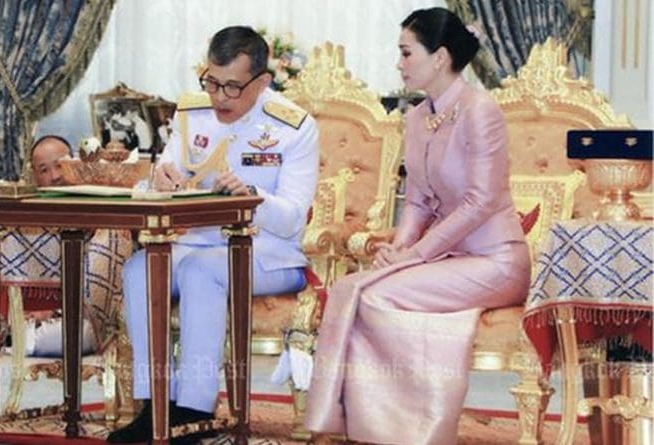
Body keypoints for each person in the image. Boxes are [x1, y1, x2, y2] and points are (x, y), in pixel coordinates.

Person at [304, 8, 531, 445]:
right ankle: (378, 426)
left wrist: (415, 255)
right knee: (356, 286)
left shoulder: (480, 111)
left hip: (496, 261)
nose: (399, 63)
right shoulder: (416, 117)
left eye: (407, 53)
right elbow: (421, 201)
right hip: (447, 259)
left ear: (440, 57)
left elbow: (481, 200)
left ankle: (411, 428)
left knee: (377, 293)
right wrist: (398, 249)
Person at [107, 26, 319, 444]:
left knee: (204, 272)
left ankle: (193, 413)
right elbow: (160, 181)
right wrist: (159, 180)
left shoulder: (293, 127)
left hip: (270, 255)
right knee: (138, 268)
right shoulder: (192, 115)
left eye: (232, 87)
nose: (219, 97)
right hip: (196, 244)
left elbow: (294, 218)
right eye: (211, 81)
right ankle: (155, 406)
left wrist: (252, 195)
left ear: (262, 82)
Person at [0, 135, 103, 356]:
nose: (54, 177)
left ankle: (15, 342)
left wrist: (53, 312)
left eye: (60, 166)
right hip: (11, 318)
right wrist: (4, 316)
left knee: (77, 336)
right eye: (44, 170)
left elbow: (97, 290)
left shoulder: (95, 206)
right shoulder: (17, 212)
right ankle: (15, 339)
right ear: (33, 174)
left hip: (64, 319)